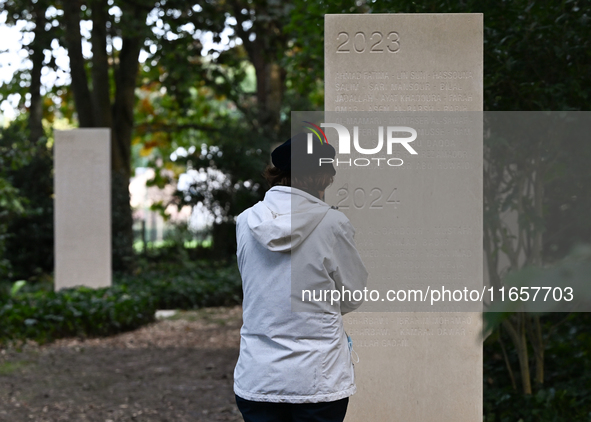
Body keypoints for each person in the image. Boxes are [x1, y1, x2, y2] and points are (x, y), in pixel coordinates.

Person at [233, 133, 368, 422]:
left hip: (259, 376)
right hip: (318, 378)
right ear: (322, 177)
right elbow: (353, 294)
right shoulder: (333, 223)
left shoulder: (245, 221)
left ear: (277, 173)